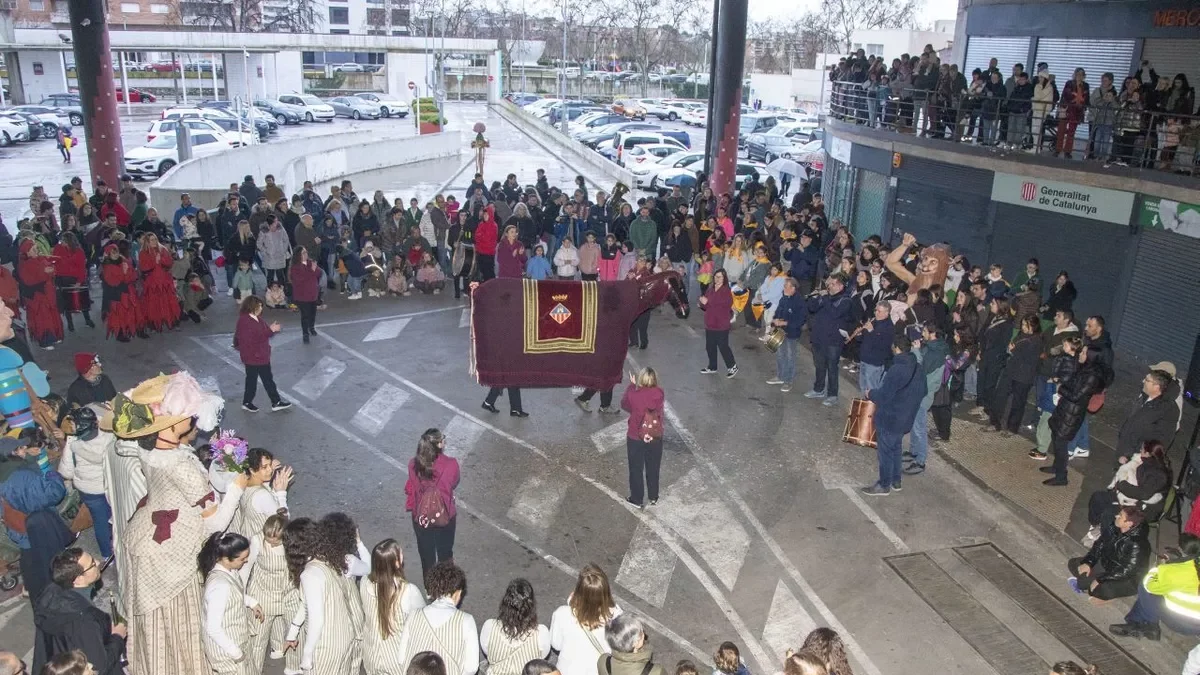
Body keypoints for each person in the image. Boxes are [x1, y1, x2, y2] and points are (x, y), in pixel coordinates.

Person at [285, 517, 366, 675]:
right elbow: (308, 604)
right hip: (347, 635)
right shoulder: (333, 558)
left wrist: (307, 655)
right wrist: (293, 632)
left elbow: (317, 619)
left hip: (327, 644)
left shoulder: (310, 574)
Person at [0, 431, 71, 605]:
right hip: (37, 527)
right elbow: (53, 493)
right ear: (14, 454)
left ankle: (30, 589)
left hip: (16, 526)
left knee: (28, 557)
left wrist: (31, 459)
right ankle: (54, 595)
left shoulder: (6, 471)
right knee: (49, 561)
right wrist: (53, 474)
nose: (25, 449)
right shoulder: (21, 477)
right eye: (20, 448)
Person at [31, 549, 125, 675]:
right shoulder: (84, 621)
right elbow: (99, 666)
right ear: (78, 579)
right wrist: (117, 637)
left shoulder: (50, 592)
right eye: (92, 564)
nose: (97, 562)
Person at [862, 335, 927, 496]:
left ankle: (884, 484)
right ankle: (896, 481)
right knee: (896, 448)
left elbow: (884, 395)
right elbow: (923, 391)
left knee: (885, 452)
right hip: (906, 418)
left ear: (897, 348)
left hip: (891, 418)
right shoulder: (917, 367)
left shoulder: (897, 369)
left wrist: (870, 393)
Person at [1109, 535, 1200, 640]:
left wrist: (1160, 567)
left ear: (1180, 552)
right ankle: (1139, 622)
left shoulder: (1174, 572)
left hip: (1185, 624)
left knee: (1146, 587)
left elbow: (1149, 585)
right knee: (1161, 589)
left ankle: (1147, 626)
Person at [1083, 440, 1171, 547]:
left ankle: (1106, 542)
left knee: (1108, 513)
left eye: (1142, 449)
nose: (1140, 450)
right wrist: (1126, 460)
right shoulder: (1148, 461)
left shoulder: (1159, 474)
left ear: (1148, 453)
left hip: (1143, 509)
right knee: (1097, 497)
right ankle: (1097, 525)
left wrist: (1122, 484)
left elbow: (1143, 494)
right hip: (1129, 498)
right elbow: (1135, 462)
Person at [397, 561, 478, 675]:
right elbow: (471, 667)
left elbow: (401, 659)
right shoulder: (466, 620)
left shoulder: (414, 614)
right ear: (457, 593)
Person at [1043, 345, 1108, 486]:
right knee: (1056, 437)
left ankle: (1061, 476)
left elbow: (1076, 395)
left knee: (1061, 443)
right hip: (1065, 409)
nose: (1080, 354)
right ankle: (1056, 467)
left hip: (1072, 413)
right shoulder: (1084, 368)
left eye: (1084, 352)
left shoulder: (1092, 376)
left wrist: (1061, 389)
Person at [361, 538, 427, 675]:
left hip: (370, 654)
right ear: (396, 563)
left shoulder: (364, 582)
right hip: (396, 660)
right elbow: (422, 619)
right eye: (400, 553)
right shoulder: (408, 591)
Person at [199, 531, 262, 675]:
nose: (246, 561)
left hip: (235, 641)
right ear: (226, 559)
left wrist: (251, 602)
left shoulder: (229, 571)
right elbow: (213, 628)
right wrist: (236, 653)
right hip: (226, 650)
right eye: (242, 559)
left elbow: (234, 594)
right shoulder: (220, 586)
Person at [58, 407, 115, 561]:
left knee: (100, 521)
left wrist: (69, 439)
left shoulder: (74, 444)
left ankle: (106, 555)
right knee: (114, 515)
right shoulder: (109, 437)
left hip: (89, 491)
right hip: (110, 486)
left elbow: (66, 472)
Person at [404, 429, 459, 579]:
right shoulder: (451, 464)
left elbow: (414, 485)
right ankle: (446, 584)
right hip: (445, 514)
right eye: (443, 440)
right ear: (439, 445)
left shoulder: (412, 464)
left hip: (421, 515)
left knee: (426, 553)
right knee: (445, 551)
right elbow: (454, 482)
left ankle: (430, 587)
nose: (445, 442)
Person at [550, 564, 620, 675]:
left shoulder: (562, 614)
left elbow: (556, 644)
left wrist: (571, 602)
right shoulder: (617, 617)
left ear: (578, 591)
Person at [1067, 506, 1150, 600]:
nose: (1116, 516)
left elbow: (1126, 571)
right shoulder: (1114, 526)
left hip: (1125, 577)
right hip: (1107, 564)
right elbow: (1099, 544)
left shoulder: (1137, 545)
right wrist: (1088, 563)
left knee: (1100, 589)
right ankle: (1088, 584)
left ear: (1129, 523)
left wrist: (1100, 579)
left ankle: (1094, 589)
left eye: (1120, 516)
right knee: (1073, 564)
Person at [233, 296, 293, 413]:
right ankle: (275, 402)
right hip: (256, 355)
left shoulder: (254, 318)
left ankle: (248, 402)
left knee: (253, 379)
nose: (261, 308)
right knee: (266, 379)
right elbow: (254, 338)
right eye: (259, 305)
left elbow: (262, 333)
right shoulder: (246, 321)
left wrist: (271, 330)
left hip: (256, 355)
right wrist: (271, 330)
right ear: (253, 306)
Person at [479, 578, 550, 675]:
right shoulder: (542, 632)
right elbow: (541, 658)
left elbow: (487, 651)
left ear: (505, 603)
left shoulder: (489, 626)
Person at [620, 368, 664, 509]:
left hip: (635, 436)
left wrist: (632, 386)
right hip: (655, 436)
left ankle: (637, 499)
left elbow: (625, 405)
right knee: (653, 467)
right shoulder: (659, 393)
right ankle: (653, 496)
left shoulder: (634, 395)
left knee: (636, 468)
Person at [1115, 368, 1178, 464]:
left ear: (1156, 387)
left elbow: (1161, 440)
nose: (1143, 381)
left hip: (1135, 461)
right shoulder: (1144, 397)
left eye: (1147, 380)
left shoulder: (1167, 410)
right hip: (1123, 451)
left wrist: (1131, 456)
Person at [806, 274, 852, 405]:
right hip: (818, 338)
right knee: (819, 365)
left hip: (833, 341)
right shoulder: (825, 297)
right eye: (829, 284)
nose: (828, 286)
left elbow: (834, 313)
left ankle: (832, 395)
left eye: (832, 284)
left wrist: (825, 297)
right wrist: (815, 297)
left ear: (840, 286)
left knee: (832, 367)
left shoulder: (845, 301)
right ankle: (818, 389)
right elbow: (812, 308)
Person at [17, 238, 63, 349]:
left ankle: (54, 336)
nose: (36, 251)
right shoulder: (24, 265)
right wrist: (44, 273)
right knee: (42, 318)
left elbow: (52, 268)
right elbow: (29, 281)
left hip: (48, 294)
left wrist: (51, 271)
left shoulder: (40, 259)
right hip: (37, 296)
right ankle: (45, 341)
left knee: (51, 316)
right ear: (26, 252)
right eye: (33, 249)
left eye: (36, 248)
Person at [767, 277, 807, 392]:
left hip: (792, 333)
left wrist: (786, 322)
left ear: (793, 288)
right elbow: (779, 311)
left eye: (786, 286)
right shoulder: (784, 298)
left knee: (790, 356)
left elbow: (801, 319)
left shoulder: (799, 301)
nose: (784, 288)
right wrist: (774, 322)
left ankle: (788, 380)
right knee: (780, 354)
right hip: (780, 331)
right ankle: (780, 376)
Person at [137, 233, 181, 332]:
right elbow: (143, 268)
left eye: (155, 239)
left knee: (169, 302)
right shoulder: (143, 252)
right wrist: (154, 261)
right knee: (154, 304)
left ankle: (172, 322)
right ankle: (155, 324)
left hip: (165, 281)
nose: (154, 242)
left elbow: (169, 263)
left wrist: (161, 260)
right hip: (152, 282)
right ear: (147, 242)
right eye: (151, 240)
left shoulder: (163, 250)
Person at [699, 269, 737, 378]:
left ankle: (732, 366)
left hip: (721, 324)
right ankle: (712, 366)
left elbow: (721, 306)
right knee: (710, 346)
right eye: (716, 276)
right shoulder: (711, 290)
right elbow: (705, 306)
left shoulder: (726, 292)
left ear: (724, 278)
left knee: (723, 346)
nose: (717, 279)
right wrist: (702, 303)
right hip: (710, 323)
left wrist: (707, 302)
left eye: (720, 277)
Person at [52, 232, 93, 332]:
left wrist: (80, 281)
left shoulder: (78, 251)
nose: (62, 243)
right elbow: (55, 261)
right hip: (62, 279)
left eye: (65, 241)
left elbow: (82, 268)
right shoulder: (58, 248)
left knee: (82, 300)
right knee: (67, 303)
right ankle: (70, 323)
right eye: (62, 241)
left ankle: (87, 319)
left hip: (75, 278)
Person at [600, 614, 665, 675]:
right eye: (641, 632)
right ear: (636, 643)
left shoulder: (603, 662)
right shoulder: (656, 672)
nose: (643, 634)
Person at [291, 248, 322, 343]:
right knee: (305, 315)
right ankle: (305, 333)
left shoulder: (310, 263)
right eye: (303, 253)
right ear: (298, 255)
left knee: (313, 313)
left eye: (306, 252)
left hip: (313, 294)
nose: (306, 254)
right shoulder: (295, 267)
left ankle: (311, 327)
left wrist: (315, 269)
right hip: (302, 296)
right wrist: (312, 271)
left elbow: (319, 273)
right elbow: (300, 279)